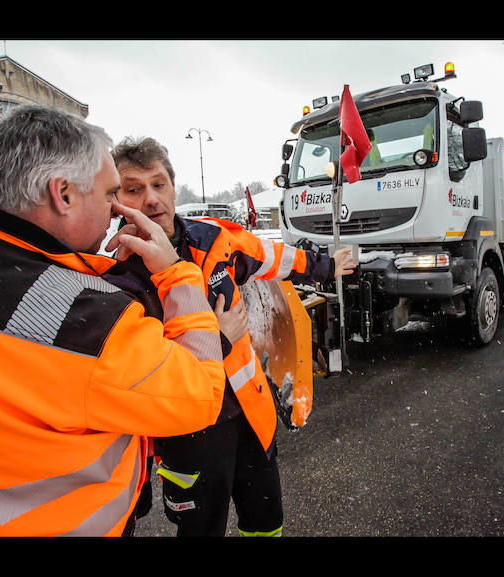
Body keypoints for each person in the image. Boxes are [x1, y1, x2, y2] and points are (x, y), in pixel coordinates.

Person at [0, 106, 229, 537]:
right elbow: (200, 393)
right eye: (114, 192)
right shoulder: (85, 319)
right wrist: (176, 275)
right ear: (64, 194)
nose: (117, 210)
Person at [109, 136, 356, 537]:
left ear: (173, 187)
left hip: (248, 415)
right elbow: (140, 375)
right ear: (114, 201)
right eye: (134, 190)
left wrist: (326, 266)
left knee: (266, 521)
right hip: (189, 437)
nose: (151, 200)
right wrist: (219, 338)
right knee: (202, 530)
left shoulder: (214, 240)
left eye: (159, 184)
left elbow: (269, 256)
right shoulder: (118, 281)